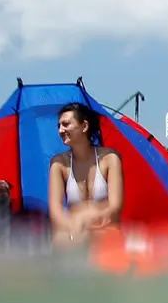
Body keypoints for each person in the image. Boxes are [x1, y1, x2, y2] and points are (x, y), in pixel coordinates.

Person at [48, 102, 124, 247]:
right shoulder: (58, 164)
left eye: (65, 124)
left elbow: (115, 206)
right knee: (60, 240)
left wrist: (88, 221)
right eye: (58, 126)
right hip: (73, 230)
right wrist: (73, 227)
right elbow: (55, 211)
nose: (60, 130)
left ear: (84, 126)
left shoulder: (110, 159)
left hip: (104, 227)